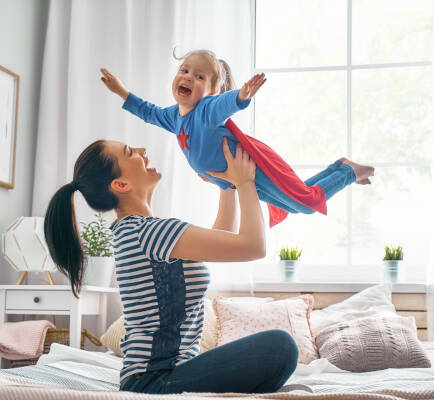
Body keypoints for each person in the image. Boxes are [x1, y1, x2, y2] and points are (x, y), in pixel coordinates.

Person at [43, 138, 298, 394]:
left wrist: (227, 186)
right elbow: (254, 246)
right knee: (281, 346)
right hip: (155, 380)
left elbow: (222, 236)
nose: (142, 151)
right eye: (130, 152)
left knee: (274, 352)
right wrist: (245, 182)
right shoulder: (148, 232)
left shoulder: (137, 231)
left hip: (158, 376)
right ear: (121, 184)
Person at [100, 49, 374, 226]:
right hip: (239, 181)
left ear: (211, 90)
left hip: (252, 173)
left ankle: (347, 171)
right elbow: (148, 112)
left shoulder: (206, 110)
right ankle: (340, 168)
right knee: (298, 201)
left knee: (304, 204)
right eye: (184, 71)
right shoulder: (174, 117)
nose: (187, 78)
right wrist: (122, 92)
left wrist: (241, 96)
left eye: (199, 76)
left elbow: (224, 105)